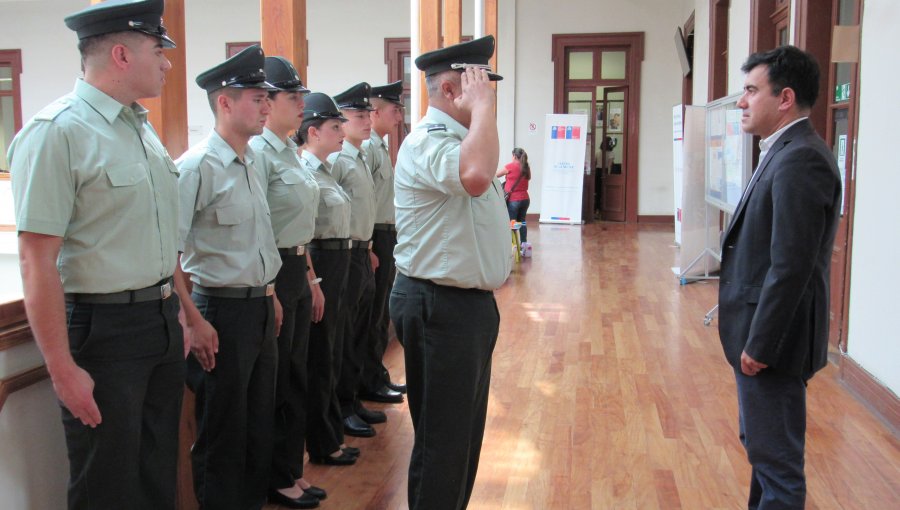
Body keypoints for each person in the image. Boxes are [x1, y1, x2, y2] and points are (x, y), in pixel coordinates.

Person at [8, 1, 188, 508]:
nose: (167, 63)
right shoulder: (57, 132)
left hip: (160, 319)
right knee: (106, 483)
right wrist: (62, 370)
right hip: (103, 331)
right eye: (159, 50)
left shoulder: (141, 130)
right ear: (121, 54)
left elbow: (158, 238)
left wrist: (182, 315)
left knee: (158, 471)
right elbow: (36, 261)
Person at [390, 35, 512, 510]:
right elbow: (477, 177)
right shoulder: (427, 143)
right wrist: (483, 110)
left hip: (465, 307)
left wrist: (480, 113)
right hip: (439, 306)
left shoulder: (463, 141)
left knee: (462, 440)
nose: (489, 96)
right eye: (479, 85)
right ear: (447, 92)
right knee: (443, 444)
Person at [718, 45, 842, 510]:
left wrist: (761, 344)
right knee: (764, 451)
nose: (742, 101)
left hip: (773, 345)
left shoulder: (801, 159)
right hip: (763, 338)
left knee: (778, 466)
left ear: (785, 98)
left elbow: (791, 266)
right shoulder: (784, 150)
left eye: (751, 90)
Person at [176, 45, 282, 510]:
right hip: (218, 311)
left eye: (266, 98)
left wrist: (271, 294)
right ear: (224, 102)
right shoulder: (195, 166)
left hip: (259, 307)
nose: (265, 106)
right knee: (222, 434)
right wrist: (192, 319)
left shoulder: (253, 161)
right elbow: (169, 255)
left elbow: (259, 240)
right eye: (256, 97)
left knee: (259, 426)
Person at [248, 56, 325, 510]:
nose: (301, 104)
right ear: (269, 102)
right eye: (291, 97)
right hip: (272, 271)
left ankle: (290, 471)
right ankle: (276, 477)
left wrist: (313, 277)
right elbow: (258, 226)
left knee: (296, 374)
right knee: (275, 383)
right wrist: (272, 289)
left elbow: (302, 225)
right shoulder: (259, 153)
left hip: (296, 268)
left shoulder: (289, 152)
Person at [298, 92, 360, 467]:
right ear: (313, 132)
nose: (343, 131)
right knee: (321, 355)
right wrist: (313, 279)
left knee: (334, 350)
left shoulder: (326, 171)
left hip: (340, 259)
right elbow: (302, 233)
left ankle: (331, 431)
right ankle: (322, 440)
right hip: (320, 260)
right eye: (335, 126)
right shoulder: (305, 171)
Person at [360, 80, 407, 402]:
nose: (400, 116)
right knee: (372, 314)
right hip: (373, 235)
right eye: (395, 109)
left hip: (384, 233)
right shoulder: (366, 148)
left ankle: (377, 376)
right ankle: (369, 381)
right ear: (375, 112)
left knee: (380, 313)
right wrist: (370, 246)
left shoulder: (377, 146)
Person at [496, 147, 532, 255]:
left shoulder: (510, 166)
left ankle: (512, 248)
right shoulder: (526, 167)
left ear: (514, 156)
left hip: (514, 200)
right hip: (525, 199)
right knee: (522, 222)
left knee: (512, 223)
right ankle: (524, 246)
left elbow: (496, 175)